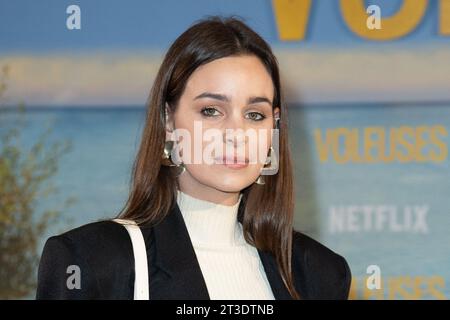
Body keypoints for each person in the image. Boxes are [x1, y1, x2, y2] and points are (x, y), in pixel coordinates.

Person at [36, 16, 351, 300]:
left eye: (255, 114)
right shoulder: (93, 262)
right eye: (211, 111)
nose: (236, 133)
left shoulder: (319, 274)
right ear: (169, 120)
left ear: (274, 126)